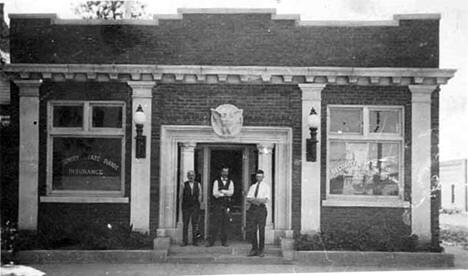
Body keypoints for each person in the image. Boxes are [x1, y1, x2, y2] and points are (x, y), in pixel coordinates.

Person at [207, 167, 234, 247]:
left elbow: (231, 193)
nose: (225, 173)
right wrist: (226, 193)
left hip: (226, 205)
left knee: (225, 224)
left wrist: (221, 191)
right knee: (215, 223)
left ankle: (224, 241)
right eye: (224, 172)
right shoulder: (216, 181)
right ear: (221, 172)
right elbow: (215, 194)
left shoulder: (230, 182)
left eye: (227, 172)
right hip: (217, 205)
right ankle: (211, 241)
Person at [246, 169, 270, 257]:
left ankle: (261, 249)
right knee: (253, 230)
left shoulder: (266, 187)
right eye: (257, 176)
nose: (259, 178)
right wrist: (257, 200)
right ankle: (254, 249)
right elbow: (248, 198)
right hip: (253, 210)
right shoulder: (252, 187)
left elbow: (265, 200)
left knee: (261, 230)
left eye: (260, 176)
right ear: (256, 177)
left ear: (263, 177)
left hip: (261, 210)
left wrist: (255, 200)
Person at [181, 170, 202, 246]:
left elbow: (200, 195)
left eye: (192, 175)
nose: (191, 177)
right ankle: (184, 241)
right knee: (185, 224)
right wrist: (182, 206)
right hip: (186, 207)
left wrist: (199, 205)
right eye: (189, 175)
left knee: (195, 224)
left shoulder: (198, 184)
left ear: (194, 176)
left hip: (195, 207)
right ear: (187, 176)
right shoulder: (184, 184)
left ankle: (195, 241)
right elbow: (181, 196)